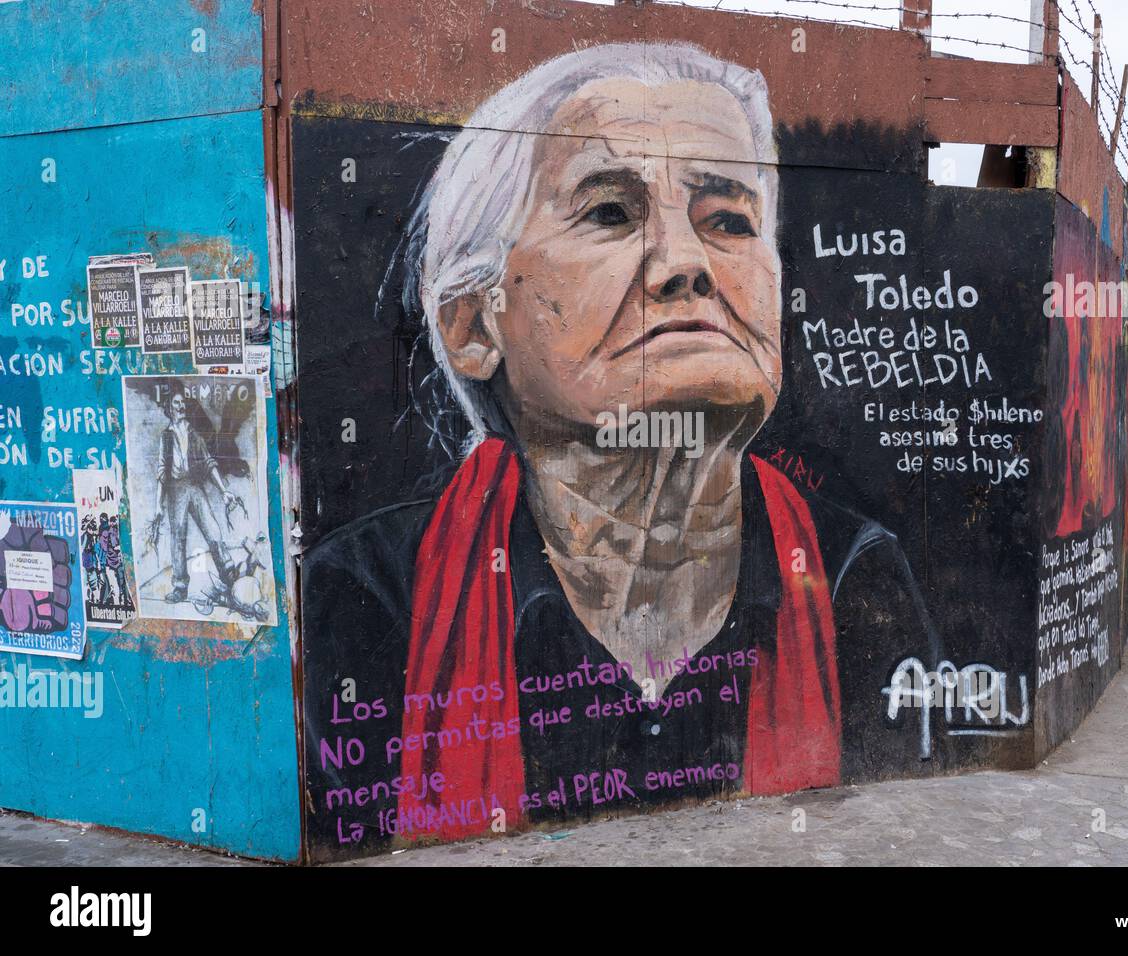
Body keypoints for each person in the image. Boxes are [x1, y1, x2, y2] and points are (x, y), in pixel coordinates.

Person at [303, 42, 940, 849]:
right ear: (472, 325)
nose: (685, 265)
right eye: (610, 211)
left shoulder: (853, 576)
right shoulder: (371, 594)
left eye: (730, 220)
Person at [150, 392, 238, 603]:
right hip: (176, 490)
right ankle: (180, 587)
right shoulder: (166, 436)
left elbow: (209, 463)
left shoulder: (193, 434)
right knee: (178, 537)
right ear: (169, 408)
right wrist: (158, 505)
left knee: (212, 529)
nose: (181, 406)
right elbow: (162, 471)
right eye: (176, 403)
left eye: (183, 403)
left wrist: (224, 490)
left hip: (194, 485)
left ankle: (229, 574)